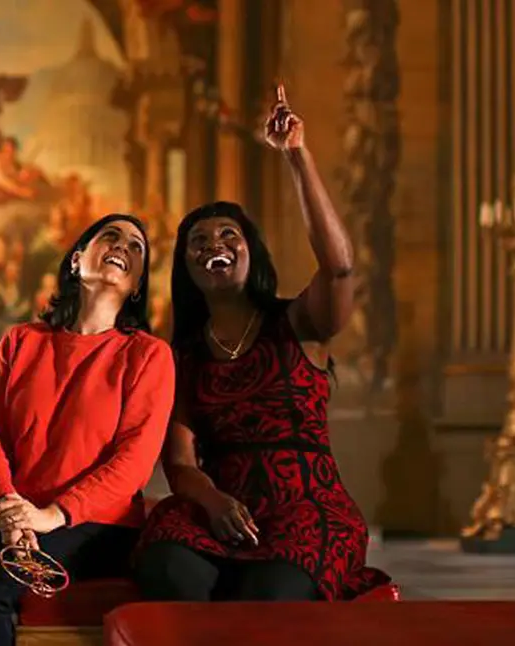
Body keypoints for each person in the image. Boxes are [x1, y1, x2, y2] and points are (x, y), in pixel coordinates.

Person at [133, 86, 392, 601]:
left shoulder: (298, 322)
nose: (214, 247)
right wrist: (213, 502)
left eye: (229, 236)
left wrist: (297, 156)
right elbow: (181, 463)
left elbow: (340, 266)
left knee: (266, 594)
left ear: (252, 253)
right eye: (198, 243)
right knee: (164, 566)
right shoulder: (183, 355)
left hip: (307, 509)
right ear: (187, 268)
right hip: (221, 507)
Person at [0, 214, 175, 646]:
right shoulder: (21, 341)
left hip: (94, 526)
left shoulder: (148, 355)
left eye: (136, 246)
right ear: (76, 260)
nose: (123, 246)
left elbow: (133, 465)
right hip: (15, 515)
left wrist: (51, 516)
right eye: (110, 236)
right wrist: (8, 509)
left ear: (138, 285)